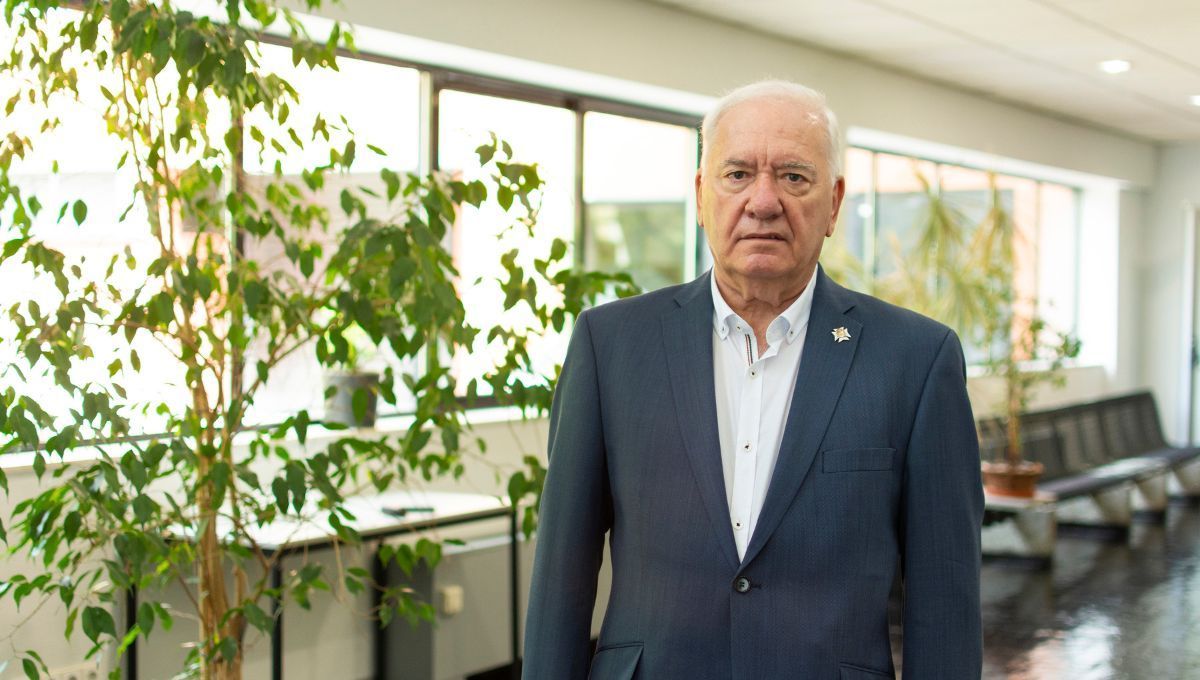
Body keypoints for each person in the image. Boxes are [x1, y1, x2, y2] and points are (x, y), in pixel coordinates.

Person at [522, 80, 983, 680]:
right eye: (737, 174)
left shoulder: (916, 360)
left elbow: (945, 601)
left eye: (793, 177)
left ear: (834, 203)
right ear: (700, 195)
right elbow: (561, 575)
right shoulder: (609, 345)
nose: (763, 202)